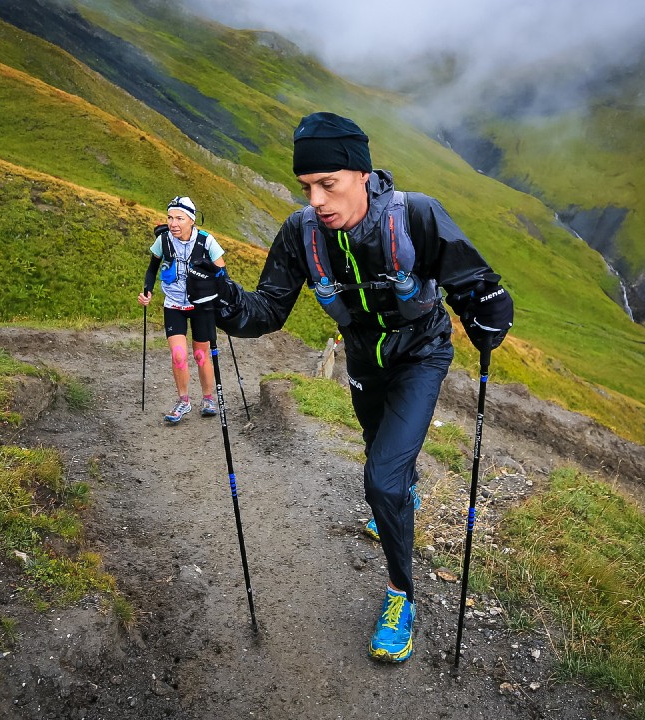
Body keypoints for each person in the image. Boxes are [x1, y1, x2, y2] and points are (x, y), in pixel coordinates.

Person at [212, 112, 513, 663]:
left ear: (362, 172)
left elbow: (473, 281)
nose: (318, 199)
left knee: (381, 476)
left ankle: (402, 595)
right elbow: (266, 312)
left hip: (421, 352)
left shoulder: (415, 215)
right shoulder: (300, 233)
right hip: (362, 360)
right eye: (307, 186)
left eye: (329, 183)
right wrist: (223, 299)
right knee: (383, 457)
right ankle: (400, 492)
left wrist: (489, 310)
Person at [138, 196, 228, 424]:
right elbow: (152, 269)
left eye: (179, 218)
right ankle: (183, 401)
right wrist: (147, 291)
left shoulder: (207, 242)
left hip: (201, 306)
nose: (173, 223)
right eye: (170, 217)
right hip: (174, 305)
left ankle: (208, 399)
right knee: (178, 356)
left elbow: (223, 277)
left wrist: (222, 297)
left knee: (200, 355)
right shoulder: (164, 240)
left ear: (191, 220)